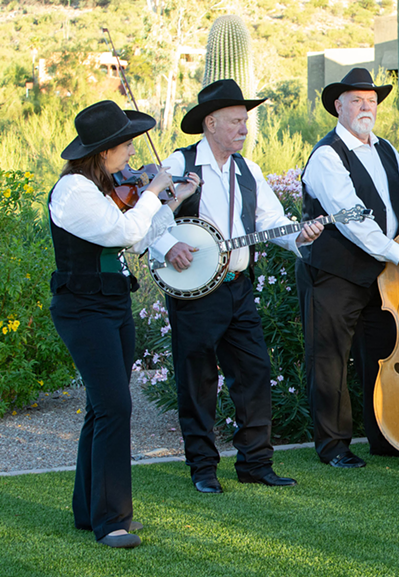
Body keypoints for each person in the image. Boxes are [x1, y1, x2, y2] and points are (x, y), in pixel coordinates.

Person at [148, 79, 323, 493]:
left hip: (238, 287)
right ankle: (203, 469)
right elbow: (149, 218)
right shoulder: (179, 162)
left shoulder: (248, 169)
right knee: (198, 379)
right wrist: (170, 244)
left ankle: (255, 464)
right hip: (195, 293)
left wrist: (299, 235)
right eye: (236, 121)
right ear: (210, 123)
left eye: (246, 121)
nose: (244, 128)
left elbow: (270, 220)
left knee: (254, 371)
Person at [49, 100, 200, 548]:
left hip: (112, 304)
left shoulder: (103, 189)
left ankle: (86, 509)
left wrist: (174, 199)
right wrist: (153, 191)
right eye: (127, 145)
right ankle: (112, 520)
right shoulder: (73, 192)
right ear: (104, 151)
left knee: (101, 408)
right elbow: (124, 233)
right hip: (81, 307)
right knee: (115, 406)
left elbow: (145, 231)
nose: (133, 154)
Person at [297, 67, 399, 468]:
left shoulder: (386, 149)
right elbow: (352, 218)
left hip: (380, 274)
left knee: (380, 355)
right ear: (338, 106)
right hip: (334, 273)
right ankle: (334, 447)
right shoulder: (326, 156)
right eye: (357, 100)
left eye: (371, 101)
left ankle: (385, 437)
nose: (366, 107)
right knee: (330, 360)